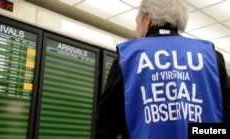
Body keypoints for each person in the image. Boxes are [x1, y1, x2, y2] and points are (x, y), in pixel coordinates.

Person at [95, 0, 230, 138]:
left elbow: (107, 122)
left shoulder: (128, 57)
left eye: (137, 23)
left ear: (147, 19)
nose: (137, 29)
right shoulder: (211, 57)